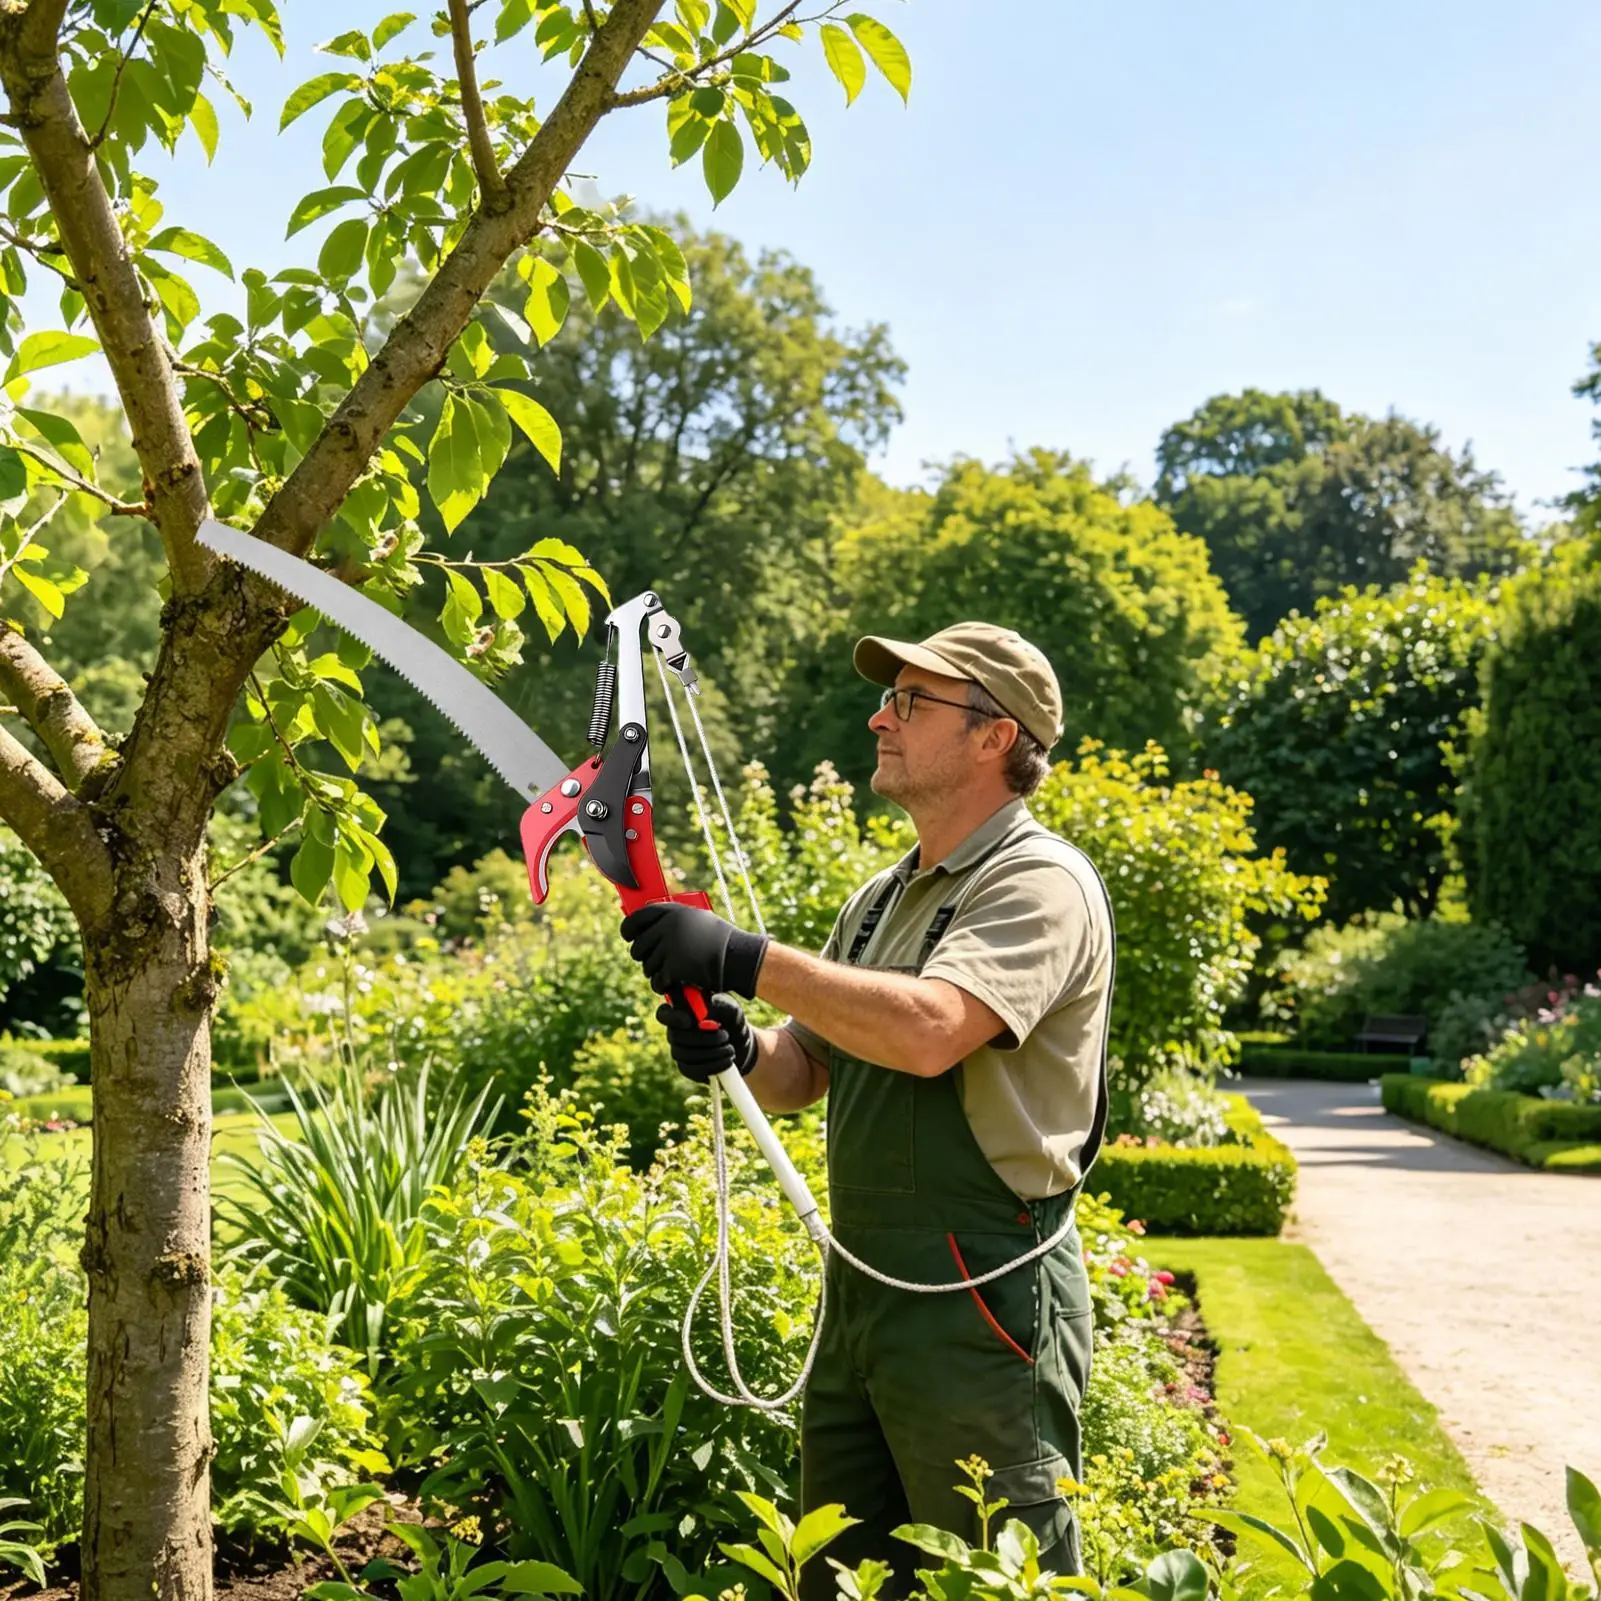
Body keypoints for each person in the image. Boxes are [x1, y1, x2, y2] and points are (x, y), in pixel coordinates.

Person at [619, 622, 1115, 1591]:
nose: (875, 714)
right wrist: (732, 1045)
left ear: (992, 735)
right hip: (865, 1296)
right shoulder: (883, 897)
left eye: (909, 699)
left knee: (995, 1578)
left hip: (981, 1303)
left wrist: (744, 956)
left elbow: (931, 1027)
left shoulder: (1038, 882)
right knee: (842, 1577)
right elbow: (805, 1067)